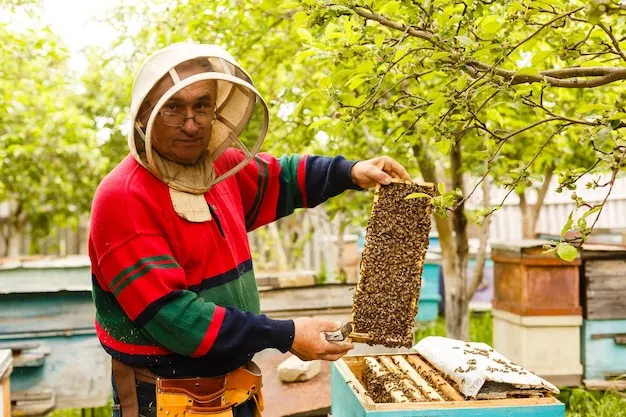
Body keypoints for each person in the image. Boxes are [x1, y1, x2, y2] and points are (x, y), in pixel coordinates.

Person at [88, 42, 411, 417]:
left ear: (217, 108)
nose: (191, 124)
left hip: (235, 387)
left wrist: (349, 172)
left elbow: (282, 178)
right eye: (174, 108)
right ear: (145, 114)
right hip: (163, 400)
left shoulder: (219, 168)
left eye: (201, 105)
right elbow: (178, 320)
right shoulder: (123, 198)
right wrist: (286, 335)